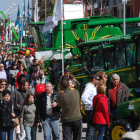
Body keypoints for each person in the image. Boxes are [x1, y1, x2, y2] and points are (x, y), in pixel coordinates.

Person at [81, 74, 99, 140]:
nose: (98, 81)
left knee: (93, 128)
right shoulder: (89, 87)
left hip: (92, 109)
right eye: (98, 79)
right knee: (91, 128)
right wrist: (92, 104)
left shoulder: (92, 87)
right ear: (94, 79)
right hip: (90, 110)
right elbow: (83, 97)